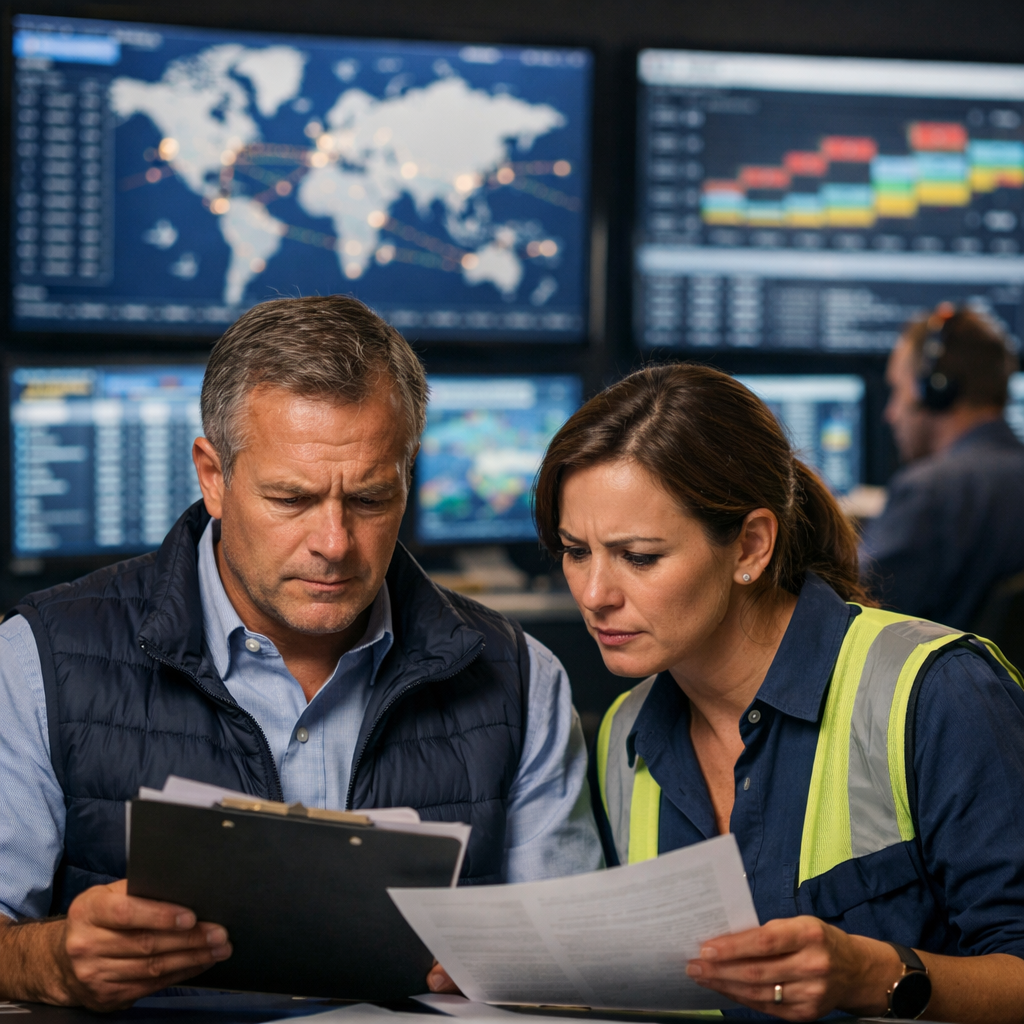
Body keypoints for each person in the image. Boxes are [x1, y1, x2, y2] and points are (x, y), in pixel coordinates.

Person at [0, 295, 602, 1011]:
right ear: (212, 476)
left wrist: (526, 972)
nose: (335, 544)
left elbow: (569, 979)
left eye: (372, 499)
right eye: (291, 498)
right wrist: (53, 961)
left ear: (408, 475)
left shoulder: (521, 680)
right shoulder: (40, 660)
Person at [530, 363, 1024, 1023]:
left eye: (639, 557)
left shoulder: (937, 693)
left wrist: (880, 974)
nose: (595, 595)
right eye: (575, 551)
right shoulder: (626, 733)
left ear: (751, 546)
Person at [859, 303, 1024, 629]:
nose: (890, 414)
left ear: (935, 390)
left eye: (897, 390)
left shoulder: (930, 492)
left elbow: (850, 608)